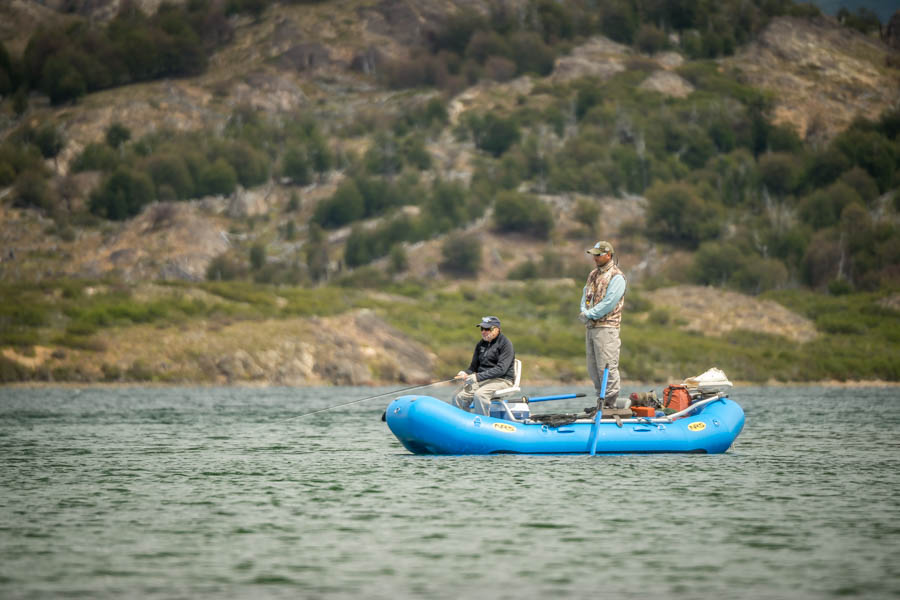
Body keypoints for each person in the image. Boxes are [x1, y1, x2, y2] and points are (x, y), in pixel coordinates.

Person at [579, 241, 626, 410]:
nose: (595, 258)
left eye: (598, 255)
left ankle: (610, 402)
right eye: (594, 254)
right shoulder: (593, 274)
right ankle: (601, 401)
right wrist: (584, 311)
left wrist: (590, 314)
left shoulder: (616, 276)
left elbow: (609, 303)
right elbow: (586, 295)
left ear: (608, 255)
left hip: (607, 327)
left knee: (606, 365)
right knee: (593, 367)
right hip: (591, 328)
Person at [451, 316, 516, 416]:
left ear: (497, 329)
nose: (483, 332)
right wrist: (465, 373)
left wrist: (477, 377)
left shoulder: (506, 344)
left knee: (480, 394)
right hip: (483, 380)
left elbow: (501, 369)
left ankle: (482, 423)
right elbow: (473, 368)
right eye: (482, 329)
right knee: (457, 396)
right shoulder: (480, 344)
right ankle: (462, 423)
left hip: (503, 380)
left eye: (487, 329)